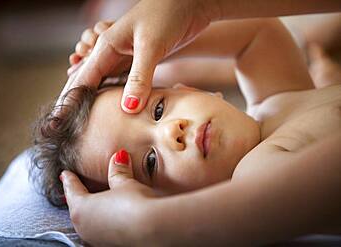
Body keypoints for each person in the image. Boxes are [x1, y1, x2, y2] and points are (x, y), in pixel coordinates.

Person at [33, 16, 341, 246]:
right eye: (150, 162)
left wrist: (145, 48)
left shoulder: (275, 99)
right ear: (170, 200)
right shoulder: (257, 174)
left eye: (158, 109)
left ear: (188, 89)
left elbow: (256, 31)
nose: (172, 133)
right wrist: (143, 220)